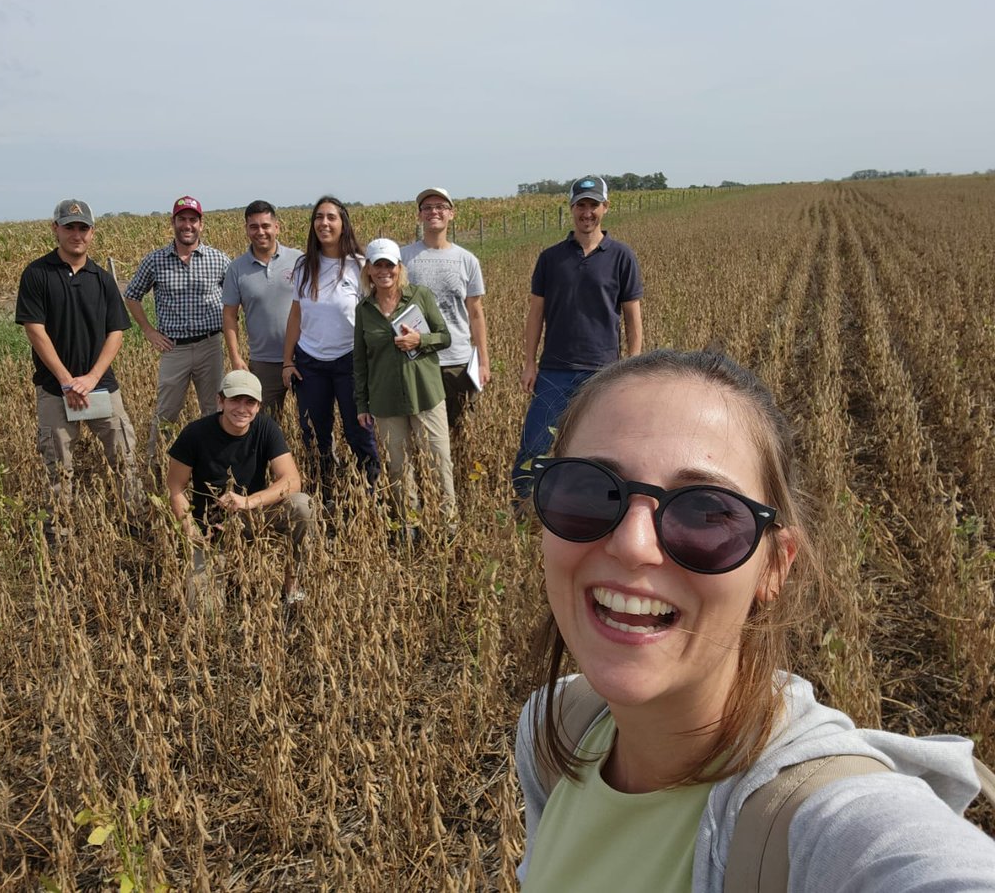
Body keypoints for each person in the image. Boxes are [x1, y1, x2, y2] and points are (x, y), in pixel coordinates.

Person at [515, 349, 995, 890]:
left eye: (707, 513)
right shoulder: (554, 730)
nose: (633, 545)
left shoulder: (818, 824)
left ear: (773, 567)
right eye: (587, 489)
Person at [14, 198, 144, 540]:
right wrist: (66, 380)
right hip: (55, 389)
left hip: (101, 386)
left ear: (92, 233)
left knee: (124, 455)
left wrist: (90, 378)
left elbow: (116, 332)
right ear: (55, 228)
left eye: (82, 228)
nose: (76, 234)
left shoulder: (101, 279)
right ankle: (60, 530)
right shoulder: (37, 274)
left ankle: (136, 519)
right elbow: (34, 329)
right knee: (58, 463)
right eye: (69, 227)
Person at [512, 176, 644, 503]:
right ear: (571, 208)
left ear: (605, 208)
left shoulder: (622, 257)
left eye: (593, 205)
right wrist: (530, 363)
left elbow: (632, 316)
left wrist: (632, 366)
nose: (587, 213)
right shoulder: (550, 258)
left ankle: (595, 510)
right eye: (581, 205)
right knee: (534, 446)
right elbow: (535, 314)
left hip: (603, 372)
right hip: (555, 369)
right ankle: (525, 512)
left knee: (601, 449)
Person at [165, 370, 312, 604]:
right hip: (211, 529)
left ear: (258, 405)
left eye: (250, 402)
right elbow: (176, 486)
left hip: (254, 516)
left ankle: (292, 587)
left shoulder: (266, 428)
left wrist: (249, 501)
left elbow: (292, 480)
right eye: (235, 400)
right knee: (205, 613)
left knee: (302, 505)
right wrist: (190, 529)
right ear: (220, 401)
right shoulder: (194, 434)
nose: (242, 409)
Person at [281, 196, 380, 505]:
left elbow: (376, 314)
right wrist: (287, 361)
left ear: (343, 223)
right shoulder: (303, 265)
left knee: (359, 433)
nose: (324, 223)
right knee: (314, 434)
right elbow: (296, 315)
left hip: (351, 363)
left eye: (331, 217)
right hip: (310, 363)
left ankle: (371, 495)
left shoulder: (360, 266)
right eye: (319, 217)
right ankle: (327, 494)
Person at [354, 238, 455, 532]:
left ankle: (446, 527)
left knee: (438, 464)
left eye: (390, 265)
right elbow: (360, 362)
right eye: (377, 265)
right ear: (369, 271)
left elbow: (444, 336)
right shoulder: (364, 310)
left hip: (425, 395)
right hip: (386, 402)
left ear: (399, 268)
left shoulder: (420, 296)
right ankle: (408, 528)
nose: (384, 271)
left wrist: (419, 341)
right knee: (398, 469)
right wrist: (362, 404)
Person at [124, 195, 231, 471]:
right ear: (173, 223)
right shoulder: (155, 261)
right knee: (166, 414)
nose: (187, 225)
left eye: (192, 220)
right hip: (174, 349)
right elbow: (132, 295)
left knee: (215, 411)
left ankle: (214, 466)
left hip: (210, 345)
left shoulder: (218, 260)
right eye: (182, 219)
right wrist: (149, 331)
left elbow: (235, 298)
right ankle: (156, 467)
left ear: (201, 225)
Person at [401, 187, 489, 432]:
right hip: (417, 360)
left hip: (457, 361)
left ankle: (459, 472)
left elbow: (475, 313)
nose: (434, 212)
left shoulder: (467, 260)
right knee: (420, 430)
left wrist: (483, 361)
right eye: (427, 208)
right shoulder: (403, 258)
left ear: (452, 214)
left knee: (460, 429)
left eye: (440, 207)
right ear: (419, 216)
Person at [222, 200, 301, 417]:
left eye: (266, 225)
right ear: (246, 229)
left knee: (313, 424)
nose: (261, 232)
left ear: (277, 227)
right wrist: (235, 357)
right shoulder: (237, 269)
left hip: (303, 357)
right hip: (263, 363)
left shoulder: (298, 260)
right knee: (264, 425)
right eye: (254, 226)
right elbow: (229, 316)